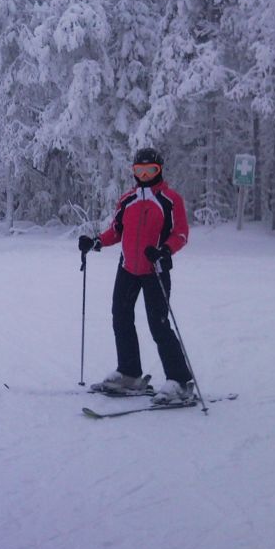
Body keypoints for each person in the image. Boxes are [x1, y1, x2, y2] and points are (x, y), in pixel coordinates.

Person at [78, 147, 193, 405]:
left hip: (156, 269)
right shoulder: (127, 199)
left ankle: (180, 381)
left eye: (149, 170)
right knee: (120, 318)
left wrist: (164, 250)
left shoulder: (170, 199)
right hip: (128, 268)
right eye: (139, 171)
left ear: (159, 170)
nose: (144, 175)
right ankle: (129, 373)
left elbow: (181, 233)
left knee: (158, 324)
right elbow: (116, 230)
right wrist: (95, 242)